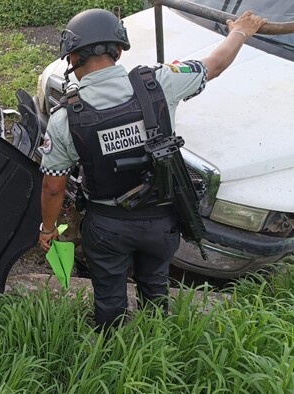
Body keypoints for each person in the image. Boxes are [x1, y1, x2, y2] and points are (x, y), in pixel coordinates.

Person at [37, 8, 267, 330]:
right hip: (162, 222)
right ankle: (156, 340)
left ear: (73, 57)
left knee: (109, 296)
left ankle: (109, 345)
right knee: (156, 285)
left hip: (106, 227)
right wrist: (240, 31)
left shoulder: (66, 118)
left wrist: (48, 228)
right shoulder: (159, 82)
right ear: (118, 50)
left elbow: (53, 186)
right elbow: (214, 65)